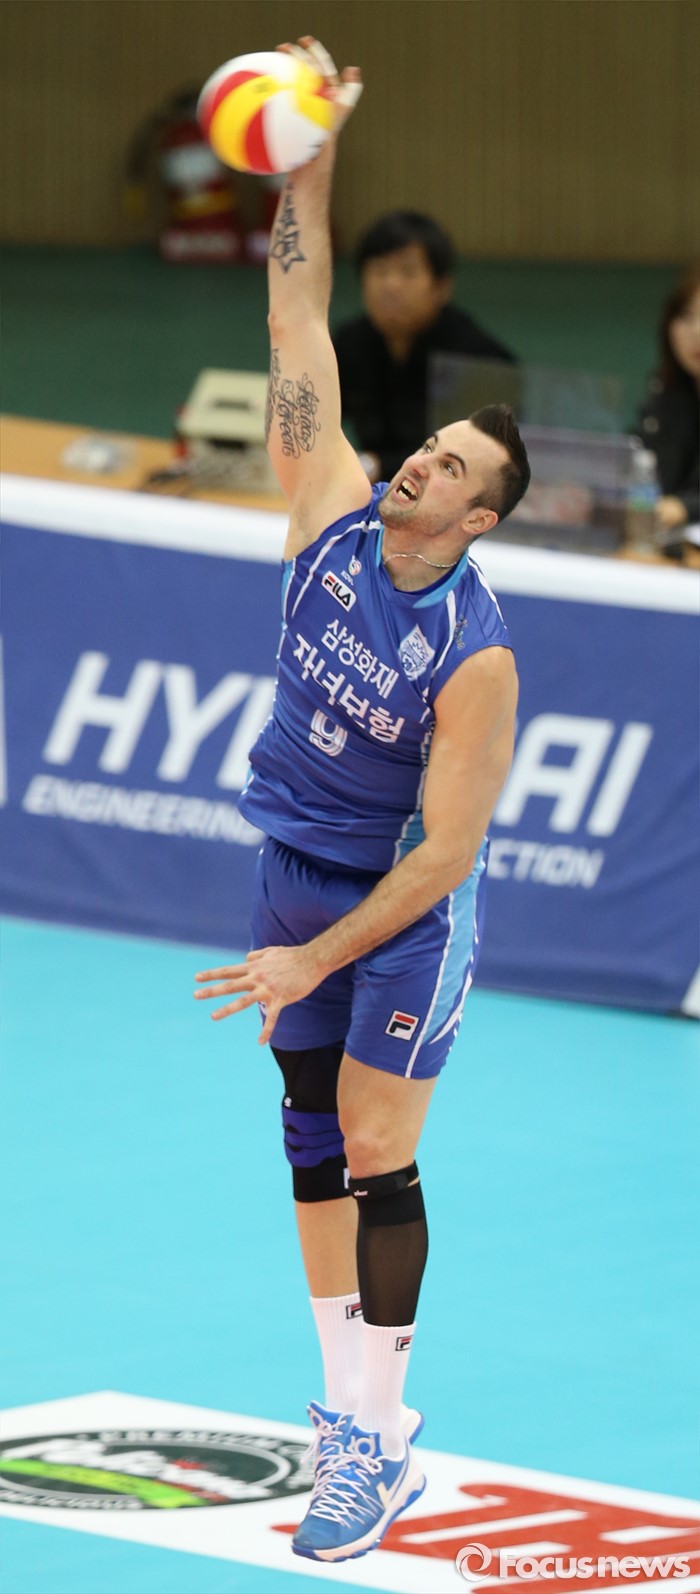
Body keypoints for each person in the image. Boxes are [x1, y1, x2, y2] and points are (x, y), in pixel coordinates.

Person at [194, 37, 530, 1565]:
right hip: (292, 866)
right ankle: (351, 1418)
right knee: (306, 1138)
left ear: (478, 515)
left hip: (399, 914)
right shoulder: (327, 509)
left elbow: (448, 851)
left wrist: (311, 959)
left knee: (378, 1143)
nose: (417, 465)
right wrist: (309, 158)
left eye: (448, 466)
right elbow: (293, 311)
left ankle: (374, 1436)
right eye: (424, 446)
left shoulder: (477, 657)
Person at [333, 211, 516, 485]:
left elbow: (472, 456)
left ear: (442, 287)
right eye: (379, 270)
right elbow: (320, 418)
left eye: (408, 272)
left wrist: (372, 465)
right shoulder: (350, 341)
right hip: (373, 490)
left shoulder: (477, 357)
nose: (391, 285)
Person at [636, 265, 700, 551]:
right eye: (686, 316)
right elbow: (644, 465)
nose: (697, 332)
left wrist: (684, 507)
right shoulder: (666, 394)